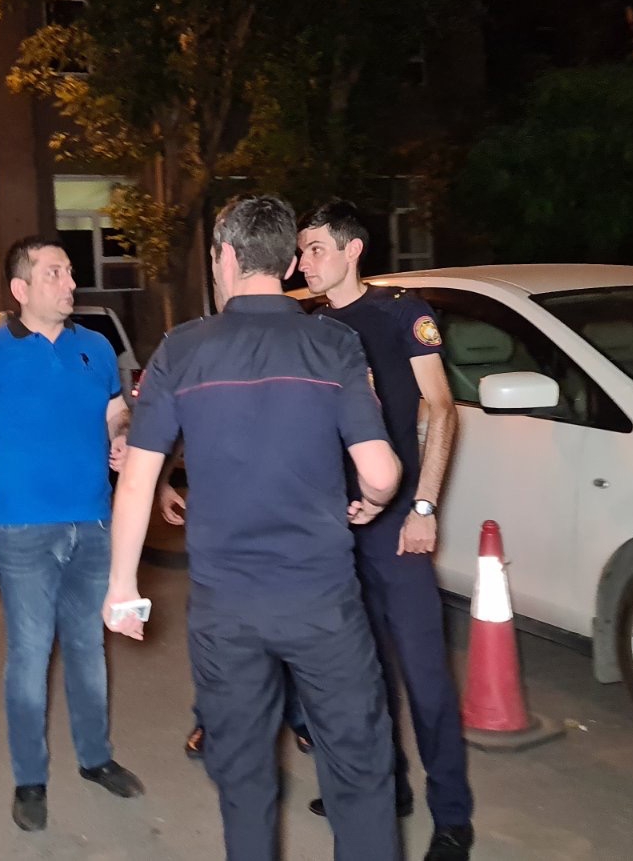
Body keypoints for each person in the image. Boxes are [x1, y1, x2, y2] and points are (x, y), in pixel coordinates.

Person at [103, 194, 403, 861]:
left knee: (243, 783)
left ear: (226, 258)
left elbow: (139, 479)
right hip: (322, 602)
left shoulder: (183, 349)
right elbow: (381, 471)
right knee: (360, 773)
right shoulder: (333, 343)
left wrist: (122, 587)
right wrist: (373, 501)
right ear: (290, 262)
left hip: (227, 609)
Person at [0, 237, 144, 833]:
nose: (69, 282)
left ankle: (95, 757)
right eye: (54, 272)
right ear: (21, 288)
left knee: (88, 646)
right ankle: (30, 778)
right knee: (30, 655)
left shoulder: (96, 347)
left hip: (94, 521)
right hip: (22, 530)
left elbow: (116, 410)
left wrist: (122, 432)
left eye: (69, 271)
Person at [298, 200, 473, 860]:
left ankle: (452, 815)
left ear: (353, 250)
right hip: (336, 530)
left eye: (316, 248)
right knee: (362, 676)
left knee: (426, 677)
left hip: (398, 525)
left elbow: (441, 409)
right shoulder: (312, 328)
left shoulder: (402, 312)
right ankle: (386, 789)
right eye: (302, 250)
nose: (304, 262)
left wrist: (423, 507)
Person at [159, 449, 314, 760]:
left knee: (287, 616)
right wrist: (162, 480)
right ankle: (212, 720)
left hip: (284, 509)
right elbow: (176, 426)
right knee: (217, 628)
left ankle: (300, 715)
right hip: (219, 517)